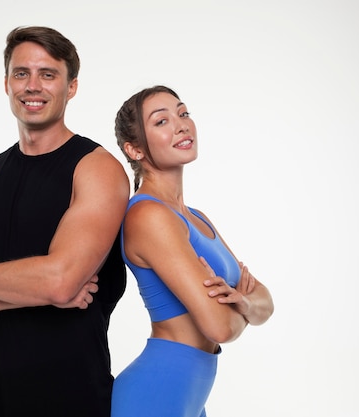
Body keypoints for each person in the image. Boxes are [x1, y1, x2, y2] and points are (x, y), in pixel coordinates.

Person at [0, 26, 130, 417]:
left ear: (72, 87)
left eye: (48, 75)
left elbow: (60, 282)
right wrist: (42, 293)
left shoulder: (97, 169)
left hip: (67, 395)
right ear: (6, 84)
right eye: (21, 73)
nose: (33, 86)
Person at [110, 85, 274, 417]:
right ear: (135, 149)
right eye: (161, 121)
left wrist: (242, 302)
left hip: (190, 396)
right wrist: (245, 307)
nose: (181, 125)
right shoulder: (148, 216)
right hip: (154, 396)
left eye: (183, 113)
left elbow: (266, 302)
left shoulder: (196, 218)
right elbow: (220, 329)